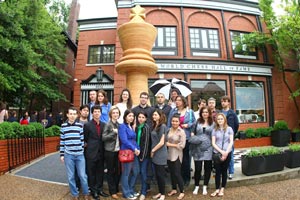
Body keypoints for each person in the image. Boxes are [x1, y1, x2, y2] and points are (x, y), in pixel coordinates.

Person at [59, 107, 89, 200]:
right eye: (70, 114)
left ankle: (86, 192)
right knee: (71, 176)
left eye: (74, 114)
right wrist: (62, 154)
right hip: (69, 155)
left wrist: (80, 150)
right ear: (67, 115)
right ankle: (75, 194)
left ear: (77, 115)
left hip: (80, 155)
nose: (72, 116)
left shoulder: (80, 126)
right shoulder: (63, 126)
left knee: (82, 175)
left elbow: (81, 140)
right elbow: (62, 141)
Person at [167, 95, 195, 186]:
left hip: (185, 138)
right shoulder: (173, 111)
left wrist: (188, 125)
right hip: (174, 139)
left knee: (186, 159)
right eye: (176, 100)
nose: (177, 102)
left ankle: (186, 178)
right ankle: (177, 179)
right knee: (176, 160)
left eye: (179, 100)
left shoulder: (189, 111)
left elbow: (194, 123)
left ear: (183, 101)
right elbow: (169, 123)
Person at [84, 105, 109, 200]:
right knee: (91, 173)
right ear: (92, 113)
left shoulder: (104, 124)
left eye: (98, 111)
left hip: (101, 152)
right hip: (91, 152)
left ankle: (100, 189)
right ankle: (93, 191)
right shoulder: (87, 125)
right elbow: (86, 138)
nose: (97, 113)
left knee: (100, 173)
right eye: (95, 111)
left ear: (101, 113)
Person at [189, 106, 214, 196]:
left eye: (207, 112)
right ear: (201, 113)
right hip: (198, 147)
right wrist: (194, 138)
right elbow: (192, 131)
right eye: (203, 112)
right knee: (198, 168)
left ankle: (205, 186)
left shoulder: (212, 123)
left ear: (209, 113)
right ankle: (196, 186)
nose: (205, 114)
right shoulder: (197, 122)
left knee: (207, 168)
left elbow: (214, 135)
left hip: (208, 147)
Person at [119, 109, 140, 200]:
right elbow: (124, 140)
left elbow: (133, 140)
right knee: (126, 173)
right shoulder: (122, 126)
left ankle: (131, 189)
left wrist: (138, 148)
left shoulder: (130, 126)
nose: (131, 117)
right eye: (129, 116)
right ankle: (126, 193)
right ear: (125, 117)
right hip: (126, 152)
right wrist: (134, 148)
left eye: (132, 116)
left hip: (134, 152)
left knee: (136, 171)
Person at [210, 113, 234, 197]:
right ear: (216, 120)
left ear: (224, 120)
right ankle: (217, 189)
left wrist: (226, 152)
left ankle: (222, 188)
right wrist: (221, 152)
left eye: (221, 119)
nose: (220, 120)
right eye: (218, 119)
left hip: (227, 152)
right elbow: (213, 143)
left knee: (224, 171)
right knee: (217, 171)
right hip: (217, 153)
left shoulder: (229, 129)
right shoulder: (214, 130)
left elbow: (231, 141)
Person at [102, 106, 121, 199]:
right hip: (110, 151)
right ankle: (112, 191)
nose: (115, 114)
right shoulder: (108, 124)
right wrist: (113, 133)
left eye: (117, 113)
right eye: (114, 113)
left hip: (118, 151)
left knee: (117, 171)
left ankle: (116, 189)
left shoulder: (119, 124)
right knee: (110, 172)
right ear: (110, 114)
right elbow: (104, 137)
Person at [166, 113, 186, 200]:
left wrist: (170, 144)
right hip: (169, 154)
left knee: (177, 173)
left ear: (179, 122)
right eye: (173, 121)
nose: (174, 123)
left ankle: (182, 191)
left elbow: (182, 145)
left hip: (177, 155)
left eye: (176, 121)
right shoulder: (168, 130)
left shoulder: (181, 132)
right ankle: (174, 189)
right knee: (172, 173)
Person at [220, 95, 239, 180]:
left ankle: (231, 172)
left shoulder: (232, 113)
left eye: (225, 101)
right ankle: (223, 171)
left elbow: (236, 125)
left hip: (229, 137)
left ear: (228, 102)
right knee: (221, 155)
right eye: (222, 101)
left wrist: (232, 134)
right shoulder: (220, 113)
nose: (223, 103)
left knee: (230, 155)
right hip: (220, 137)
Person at [151, 109, 168, 200]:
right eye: (153, 115)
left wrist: (153, 150)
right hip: (155, 153)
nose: (154, 116)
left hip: (160, 153)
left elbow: (162, 142)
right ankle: (160, 192)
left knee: (161, 175)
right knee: (157, 174)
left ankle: (163, 194)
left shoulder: (163, 126)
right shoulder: (155, 126)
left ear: (160, 116)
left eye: (156, 115)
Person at [134, 111, 151, 200]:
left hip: (143, 155)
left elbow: (146, 143)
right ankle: (142, 189)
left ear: (146, 119)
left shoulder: (146, 128)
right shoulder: (137, 127)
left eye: (143, 117)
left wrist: (142, 156)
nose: (140, 119)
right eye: (139, 117)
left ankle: (144, 192)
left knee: (143, 173)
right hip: (137, 153)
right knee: (138, 172)